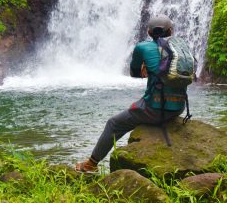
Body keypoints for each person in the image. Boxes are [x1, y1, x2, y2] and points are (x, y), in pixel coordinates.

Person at [75, 15, 188, 173]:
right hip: (179, 107)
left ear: (149, 32)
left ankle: (91, 165)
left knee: (114, 123)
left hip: (154, 110)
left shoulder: (143, 47)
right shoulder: (182, 47)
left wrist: (147, 67)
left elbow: (134, 73)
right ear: (170, 31)